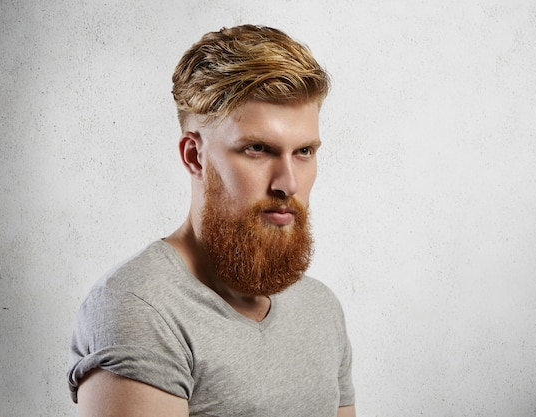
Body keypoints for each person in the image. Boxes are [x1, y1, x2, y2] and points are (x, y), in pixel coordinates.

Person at [67, 24, 356, 417]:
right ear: (194, 156)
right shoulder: (140, 310)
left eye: (304, 151)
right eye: (257, 149)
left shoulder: (320, 308)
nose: (288, 182)